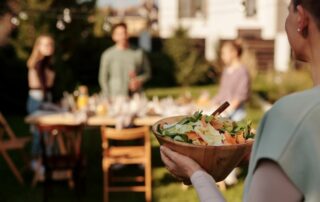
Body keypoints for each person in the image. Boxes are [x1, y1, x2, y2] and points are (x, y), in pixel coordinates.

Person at [160, 0, 320, 201]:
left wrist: (197, 173)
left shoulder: (291, 117)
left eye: (287, 12)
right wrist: (259, 151)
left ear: (301, 18)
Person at [98, 22, 151, 98]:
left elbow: (147, 72)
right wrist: (107, 95)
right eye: (119, 34)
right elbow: (103, 78)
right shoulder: (107, 55)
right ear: (114, 36)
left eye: (124, 33)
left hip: (135, 96)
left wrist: (138, 80)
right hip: (114, 96)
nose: (122, 36)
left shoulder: (139, 52)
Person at [27, 34, 55, 169]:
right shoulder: (39, 63)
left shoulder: (47, 62)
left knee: (46, 132)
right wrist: (48, 104)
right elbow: (43, 84)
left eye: (50, 44)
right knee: (39, 133)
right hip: (38, 99)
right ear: (38, 47)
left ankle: (45, 160)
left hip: (43, 98)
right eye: (45, 44)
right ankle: (36, 162)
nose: (49, 47)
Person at [212, 40, 251, 122]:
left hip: (235, 116)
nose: (222, 56)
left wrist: (225, 112)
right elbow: (222, 92)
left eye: (224, 53)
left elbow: (240, 96)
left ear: (234, 53)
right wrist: (213, 102)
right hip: (222, 111)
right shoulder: (226, 70)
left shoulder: (242, 72)